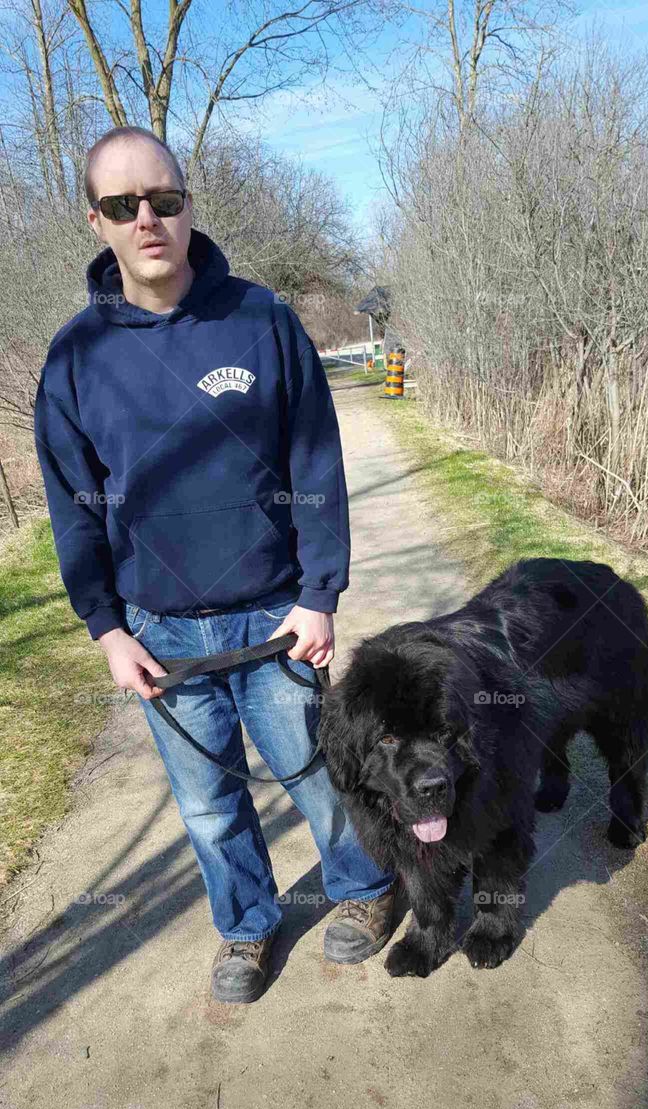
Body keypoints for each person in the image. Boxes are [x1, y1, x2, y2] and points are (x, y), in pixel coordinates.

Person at [33, 125, 396, 1004]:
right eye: (123, 206)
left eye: (164, 198)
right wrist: (107, 628)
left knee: (318, 777)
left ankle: (363, 890)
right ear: (97, 222)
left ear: (189, 204)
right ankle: (245, 927)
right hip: (161, 635)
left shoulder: (260, 319)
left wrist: (318, 595)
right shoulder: (75, 358)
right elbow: (71, 505)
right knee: (206, 804)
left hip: (274, 619)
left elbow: (315, 463)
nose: (147, 218)